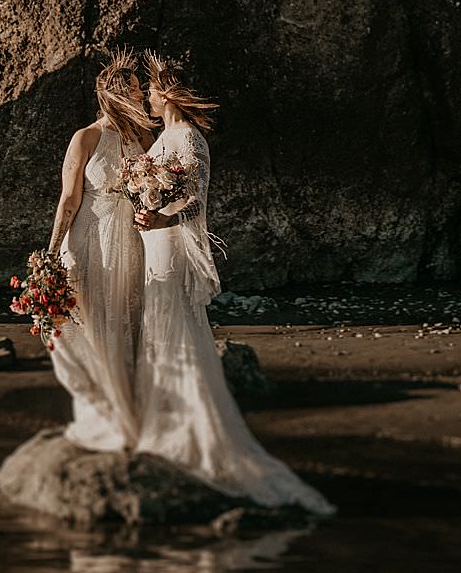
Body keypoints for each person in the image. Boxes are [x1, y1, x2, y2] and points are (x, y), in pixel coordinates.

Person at [131, 50, 334, 514]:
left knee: (175, 329)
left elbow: (194, 202)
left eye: (151, 87)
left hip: (170, 247)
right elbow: (166, 194)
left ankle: (190, 439)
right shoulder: (166, 137)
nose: (146, 94)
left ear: (168, 92)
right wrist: (147, 207)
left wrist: (158, 219)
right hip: (154, 244)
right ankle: (167, 429)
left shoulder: (189, 139)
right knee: (161, 330)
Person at [41, 49, 155, 450]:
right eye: (136, 91)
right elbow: (69, 199)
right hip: (90, 236)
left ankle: (131, 412)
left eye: (142, 91)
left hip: (132, 236)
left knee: (129, 317)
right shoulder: (86, 137)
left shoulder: (145, 138)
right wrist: (51, 253)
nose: (142, 97)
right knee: (88, 320)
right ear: (116, 94)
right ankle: (102, 411)